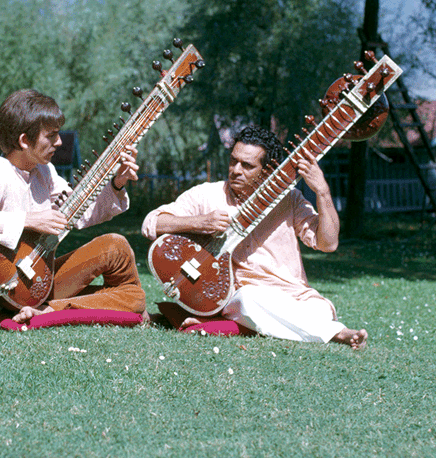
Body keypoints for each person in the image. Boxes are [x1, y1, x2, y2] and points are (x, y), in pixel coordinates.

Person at [141, 125, 367, 349]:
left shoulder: (290, 200)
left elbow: (328, 243)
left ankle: (234, 325)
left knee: (322, 310)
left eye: (247, 165)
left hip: (292, 297)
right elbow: (151, 224)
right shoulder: (207, 194)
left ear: (267, 171)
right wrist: (200, 222)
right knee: (248, 299)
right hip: (240, 298)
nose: (236, 170)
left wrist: (323, 192)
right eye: (233, 161)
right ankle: (337, 333)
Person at [0, 88, 146, 326]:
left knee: (117, 249)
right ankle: (58, 310)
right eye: (51, 136)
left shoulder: (44, 171)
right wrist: (27, 219)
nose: (59, 142)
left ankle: (49, 310)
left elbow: (78, 215)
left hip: (40, 279)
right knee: (133, 302)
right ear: (24, 140)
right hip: (9, 288)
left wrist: (117, 183)